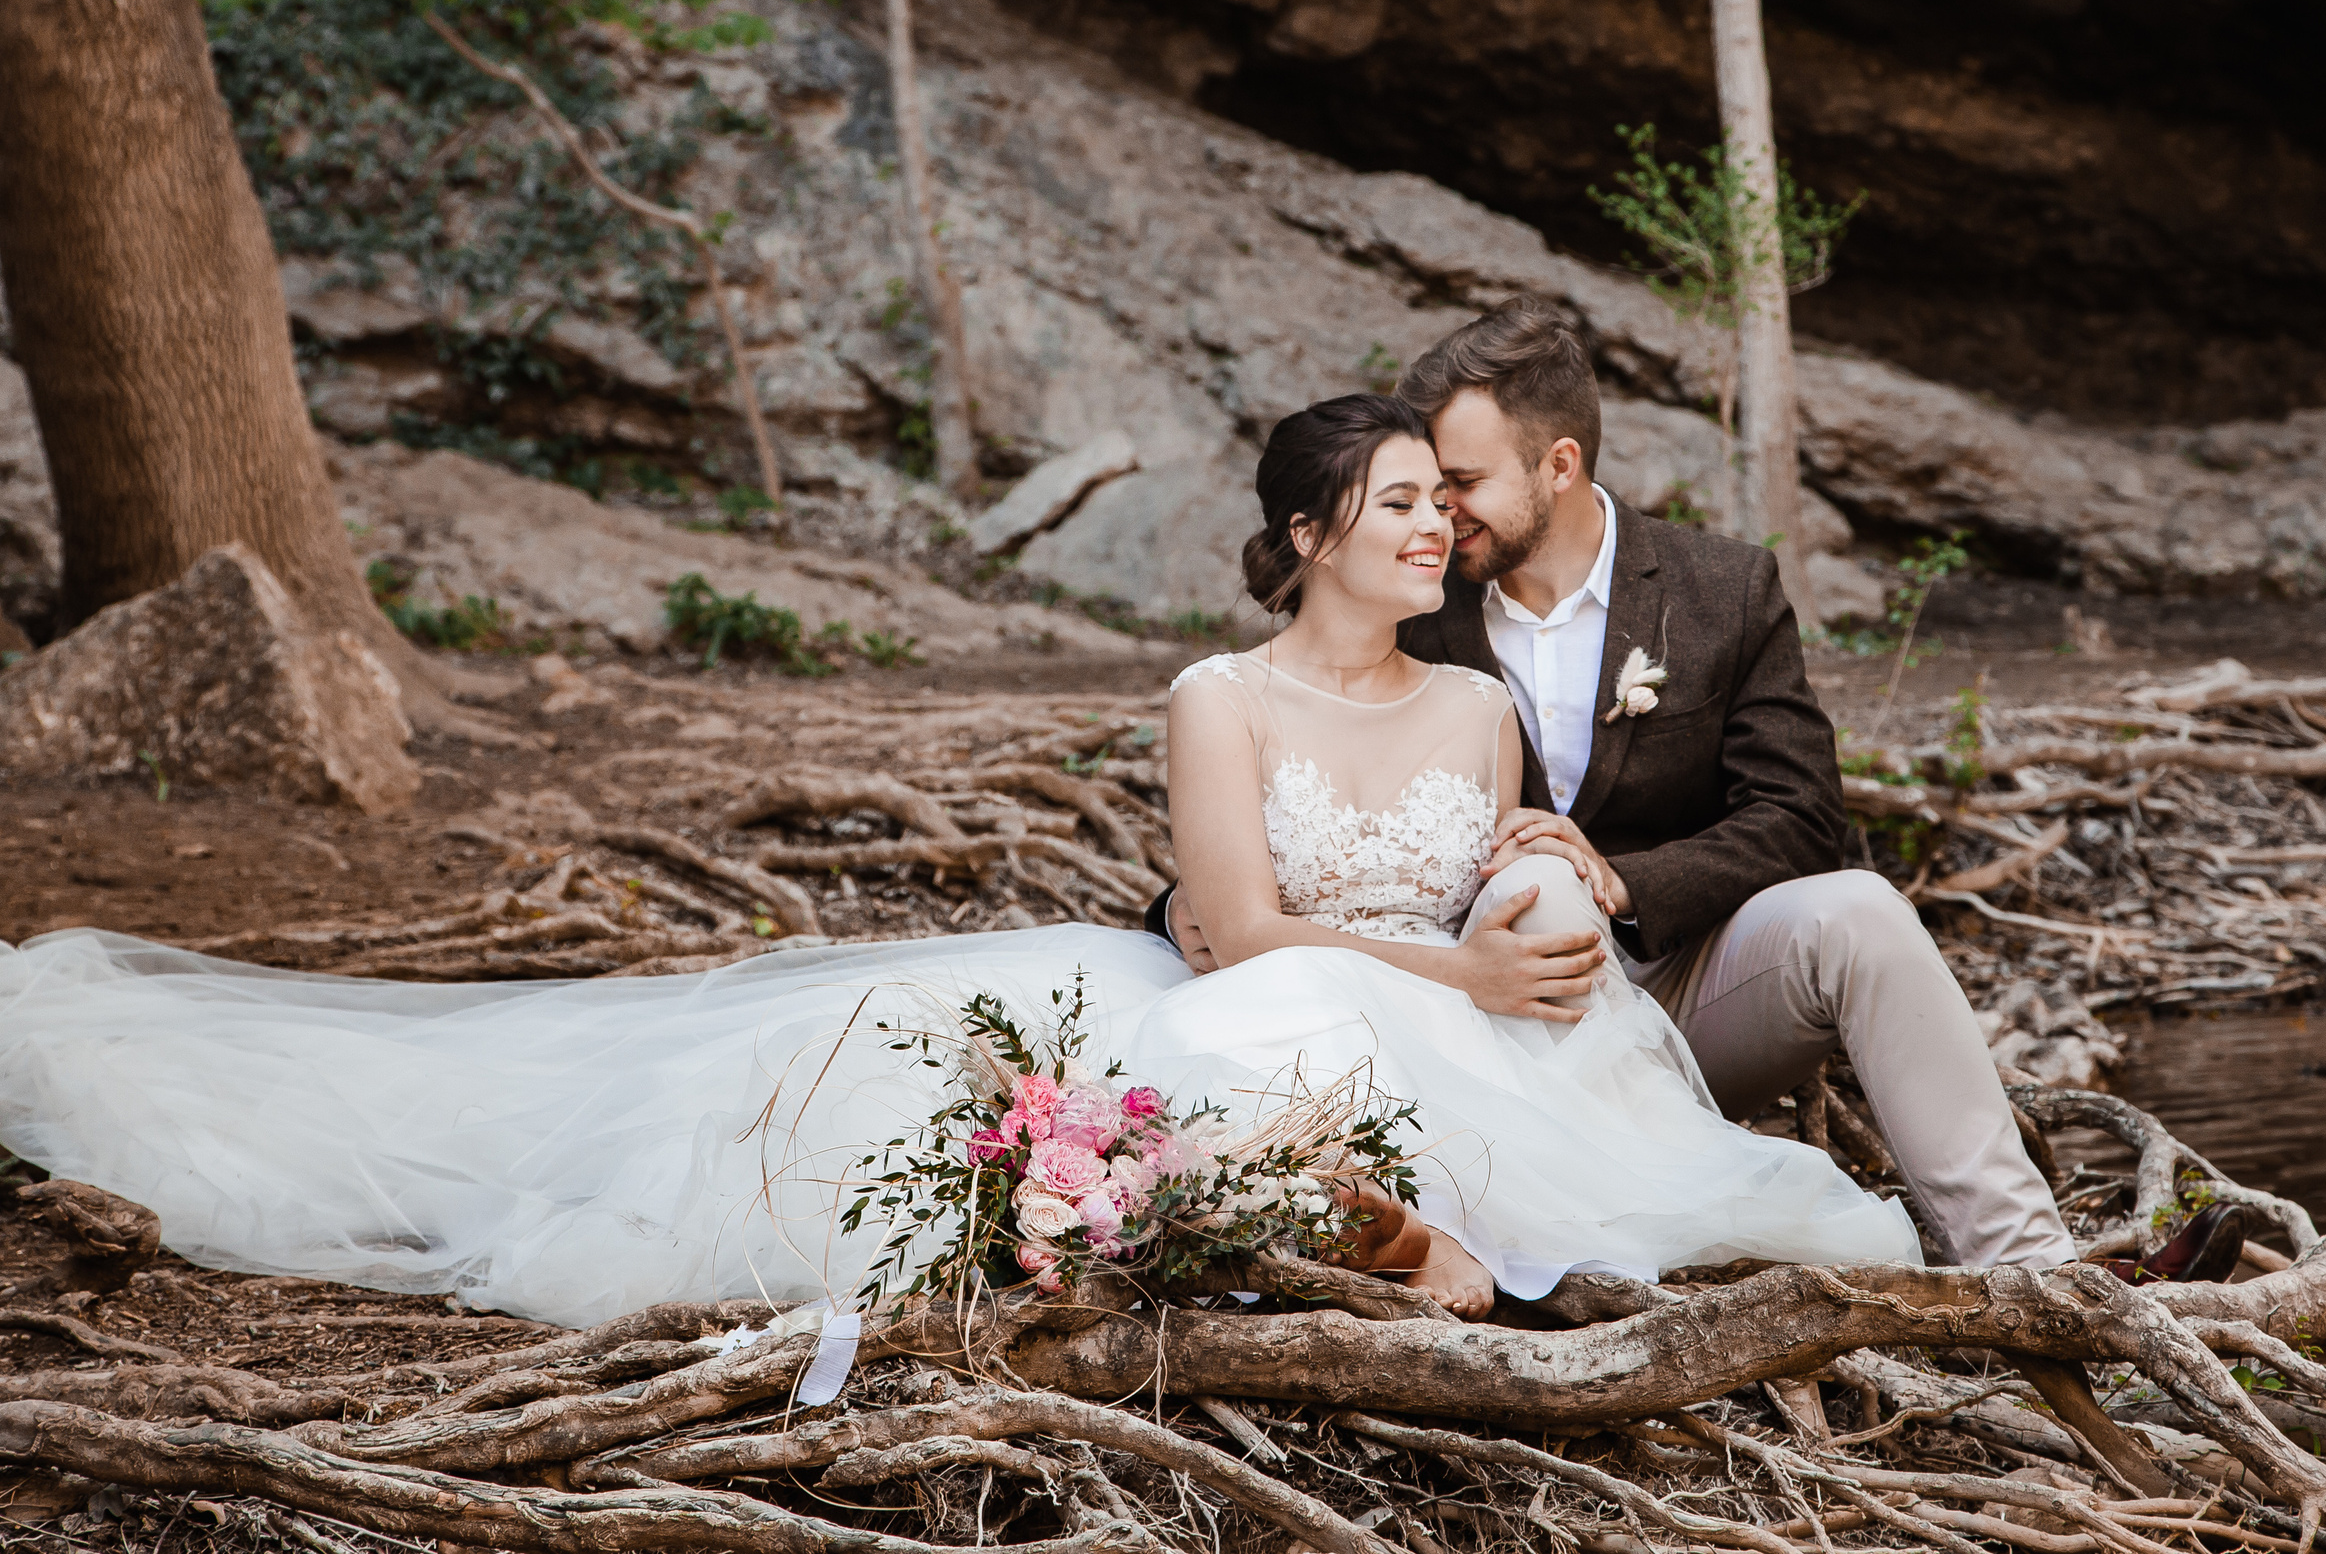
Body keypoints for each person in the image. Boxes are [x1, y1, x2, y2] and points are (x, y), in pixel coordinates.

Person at [0, 392, 1922, 1329]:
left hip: (1435, 1021)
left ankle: (1405, 1241)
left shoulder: (1478, 706)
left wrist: (1546, 913)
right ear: (1311, 533)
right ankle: (1348, 1239)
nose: (1443, 532)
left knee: (1558, 1151)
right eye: (1406, 506)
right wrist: (1469, 983)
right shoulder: (1215, 694)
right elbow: (1243, 929)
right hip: (1278, 993)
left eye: (1444, 502)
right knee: (1234, 1055)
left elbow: (1499, 873)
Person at [1154, 297, 2089, 1272]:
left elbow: (1802, 817)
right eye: (1425, 489)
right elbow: (1297, 770)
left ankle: (2031, 1266)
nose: (1440, 514)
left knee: (1856, 910)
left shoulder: (1718, 590)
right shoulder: (1414, 596)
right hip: (1483, 1008)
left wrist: (1624, 879)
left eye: (1460, 484)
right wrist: (1183, 903)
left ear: (1557, 465)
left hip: (1681, 976)